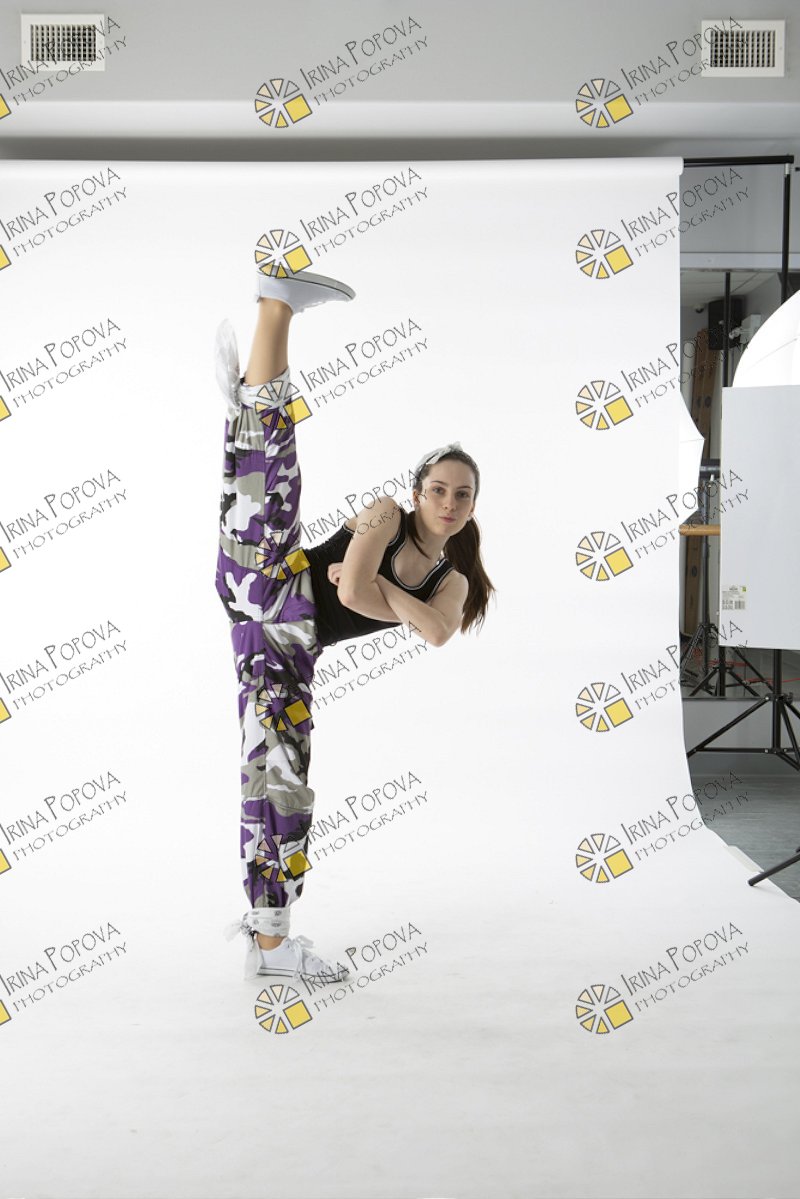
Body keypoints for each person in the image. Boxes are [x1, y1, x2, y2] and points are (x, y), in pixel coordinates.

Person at [216, 249, 495, 983]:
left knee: (281, 783)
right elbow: (349, 597)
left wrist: (380, 590)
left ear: (472, 507)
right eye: (438, 489)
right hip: (271, 584)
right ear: (418, 490)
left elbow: (434, 630)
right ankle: (275, 307)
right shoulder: (382, 511)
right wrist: (376, 592)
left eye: (462, 495)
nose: (448, 502)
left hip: (284, 649)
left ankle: (269, 942)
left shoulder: (453, 579)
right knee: (270, 462)